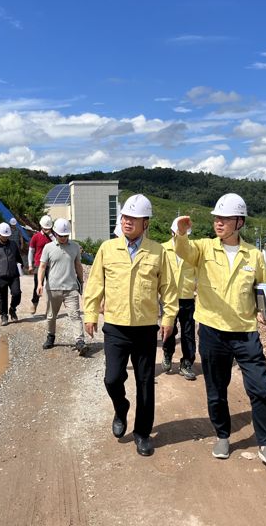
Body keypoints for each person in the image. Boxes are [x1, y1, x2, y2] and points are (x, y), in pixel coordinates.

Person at [173, 193, 266, 470]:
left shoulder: (254, 255)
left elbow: (264, 288)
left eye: (224, 218)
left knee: (260, 388)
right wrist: (181, 233)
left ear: (239, 221)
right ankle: (222, 435)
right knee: (216, 389)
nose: (218, 223)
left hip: (246, 331)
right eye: (216, 218)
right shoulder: (203, 249)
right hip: (212, 331)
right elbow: (183, 251)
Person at [84, 194, 177, 457]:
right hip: (115, 326)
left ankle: (142, 433)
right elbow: (95, 284)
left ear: (145, 223)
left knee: (146, 382)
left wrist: (168, 317)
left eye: (133, 218)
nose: (127, 222)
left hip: (145, 328)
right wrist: (90, 313)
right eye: (125, 217)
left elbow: (168, 289)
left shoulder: (158, 252)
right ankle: (121, 407)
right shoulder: (107, 248)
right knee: (112, 378)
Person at [37, 218, 86, 354]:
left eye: (66, 236)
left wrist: (81, 281)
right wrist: (40, 284)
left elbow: (78, 265)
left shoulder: (75, 247)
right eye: (61, 235)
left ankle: (80, 341)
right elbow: (42, 267)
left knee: (75, 315)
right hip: (53, 288)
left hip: (71, 288)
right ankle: (50, 336)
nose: (63, 238)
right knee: (51, 316)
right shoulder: (48, 248)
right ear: (55, 233)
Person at [161, 217, 198, 380]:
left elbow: (198, 273)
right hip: (169, 298)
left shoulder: (193, 250)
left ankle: (187, 363)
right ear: (172, 231)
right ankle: (167, 354)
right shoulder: (163, 249)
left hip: (187, 297)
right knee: (170, 329)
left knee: (188, 333)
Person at [0, 222, 23, 326]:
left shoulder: (13, 245)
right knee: (1, 297)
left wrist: (21, 266)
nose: (6, 237)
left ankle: (12, 309)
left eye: (7, 236)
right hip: (1, 276)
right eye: (4, 235)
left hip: (14, 275)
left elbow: (18, 258)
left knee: (17, 294)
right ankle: (4, 315)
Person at [28, 215, 55, 315]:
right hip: (38, 265)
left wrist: (50, 235)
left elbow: (58, 244)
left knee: (52, 286)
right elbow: (31, 251)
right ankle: (34, 303)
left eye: (48, 228)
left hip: (51, 265)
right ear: (41, 226)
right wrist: (30, 265)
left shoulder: (54, 236)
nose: (47, 229)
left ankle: (50, 308)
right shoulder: (36, 237)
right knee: (38, 285)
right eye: (45, 228)